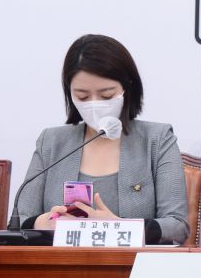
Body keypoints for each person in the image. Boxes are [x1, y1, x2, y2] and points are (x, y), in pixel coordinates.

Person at [17, 34, 189, 244]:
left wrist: (116, 227)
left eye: (106, 95)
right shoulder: (51, 142)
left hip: (133, 263)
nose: (94, 104)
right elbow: (19, 220)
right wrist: (43, 223)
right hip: (60, 263)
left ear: (127, 87)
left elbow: (177, 226)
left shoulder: (157, 140)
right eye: (82, 96)